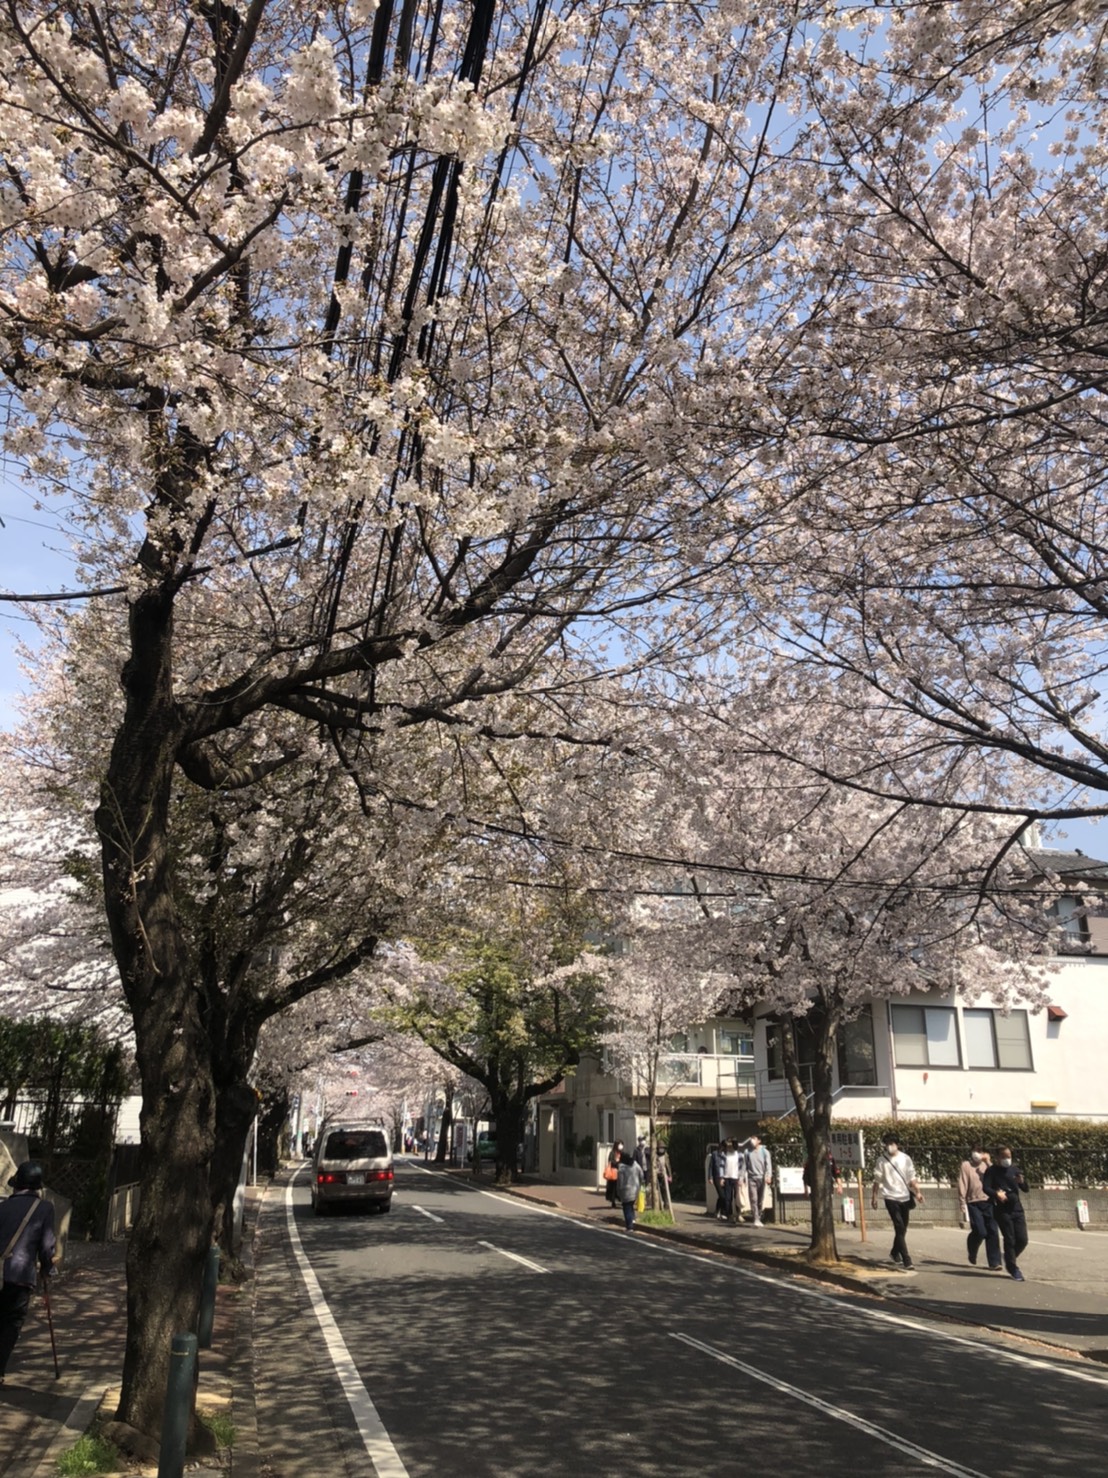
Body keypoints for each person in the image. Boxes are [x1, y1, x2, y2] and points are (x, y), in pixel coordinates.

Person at [1, 1161, 57, 1385]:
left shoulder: (2, 1207)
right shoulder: (44, 1209)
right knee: (11, 1322)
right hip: (20, 1276)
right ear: (38, 1188)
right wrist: (47, 1269)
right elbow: (46, 1247)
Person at [871, 1131, 922, 1270]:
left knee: (903, 1228)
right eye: (887, 1144)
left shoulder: (905, 1158)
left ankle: (894, 1252)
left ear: (897, 1144)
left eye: (892, 1143)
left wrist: (918, 1192)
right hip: (890, 1197)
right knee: (899, 1226)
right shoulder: (881, 1160)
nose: (889, 1146)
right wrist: (874, 1196)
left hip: (905, 1196)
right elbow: (877, 1180)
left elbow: (912, 1177)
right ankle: (907, 1259)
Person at [983, 1146, 1029, 1281]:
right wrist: (996, 1193)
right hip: (1002, 1210)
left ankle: (1010, 1257)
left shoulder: (1015, 1170)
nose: (1007, 1159)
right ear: (997, 1158)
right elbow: (986, 1187)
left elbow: (1025, 1188)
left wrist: (1022, 1182)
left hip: (1017, 1209)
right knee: (1009, 1238)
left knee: (1022, 1240)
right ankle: (1013, 1268)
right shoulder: (992, 1171)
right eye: (1004, 1156)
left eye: (1009, 1156)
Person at [959, 1146, 1002, 1271]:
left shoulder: (988, 1166)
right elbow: (963, 1182)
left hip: (989, 1201)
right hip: (973, 1202)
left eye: (980, 1152)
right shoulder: (966, 1165)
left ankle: (994, 1262)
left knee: (992, 1231)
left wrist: (988, 1161)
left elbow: (997, 1176)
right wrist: (962, 1201)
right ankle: (972, 1249)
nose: (977, 1154)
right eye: (975, 1152)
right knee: (980, 1230)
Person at [745, 1135, 772, 1226]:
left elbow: (768, 1165)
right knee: (753, 1199)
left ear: (759, 1141)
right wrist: (742, 1178)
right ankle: (756, 1218)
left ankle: (759, 1215)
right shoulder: (747, 1152)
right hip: (751, 1178)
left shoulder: (765, 1152)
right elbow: (744, 1166)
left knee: (760, 1200)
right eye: (751, 1139)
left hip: (761, 1178)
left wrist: (768, 1176)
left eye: (754, 1139)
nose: (752, 1141)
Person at [616, 1151, 644, 1232]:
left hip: (625, 1191)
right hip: (635, 1189)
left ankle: (630, 1226)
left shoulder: (621, 1167)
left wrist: (618, 1191)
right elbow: (641, 1174)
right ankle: (633, 1219)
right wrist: (641, 1182)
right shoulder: (635, 1164)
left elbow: (620, 1181)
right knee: (631, 1205)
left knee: (626, 1207)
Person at [723, 1139, 742, 1223]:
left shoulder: (739, 1155)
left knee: (737, 1197)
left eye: (731, 1145)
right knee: (728, 1198)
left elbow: (742, 1168)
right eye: (728, 1146)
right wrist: (722, 1178)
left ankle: (739, 1214)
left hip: (736, 1178)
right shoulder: (724, 1155)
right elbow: (721, 1167)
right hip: (727, 1178)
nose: (729, 1147)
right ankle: (729, 1215)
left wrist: (741, 1178)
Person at [707, 1142, 727, 1219]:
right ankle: (720, 1211)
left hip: (725, 1177)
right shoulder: (715, 1154)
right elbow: (711, 1166)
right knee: (722, 1195)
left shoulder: (726, 1154)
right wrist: (710, 1177)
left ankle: (719, 1211)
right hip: (717, 1177)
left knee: (723, 1196)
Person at [606, 1140, 624, 1207]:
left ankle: (620, 1200)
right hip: (614, 1172)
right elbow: (611, 1161)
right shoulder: (612, 1153)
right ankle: (613, 1201)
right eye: (620, 1144)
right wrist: (617, 1163)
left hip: (621, 1172)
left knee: (620, 1187)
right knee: (613, 1187)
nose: (621, 1146)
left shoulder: (622, 1153)